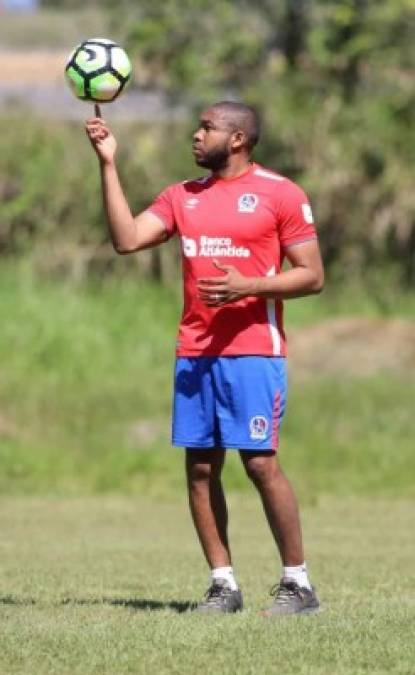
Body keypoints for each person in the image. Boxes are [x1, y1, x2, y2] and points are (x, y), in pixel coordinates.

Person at [85, 100, 324, 616]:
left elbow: (312, 274)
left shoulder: (280, 193)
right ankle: (223, 585)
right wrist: (108, 162)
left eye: (207, 127)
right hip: (195, 353)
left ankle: (298, 584)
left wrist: (249, 286)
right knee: (199, 469)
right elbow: (126, 240)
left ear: (237, 139)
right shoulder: (182, 196)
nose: (196, 135)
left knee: (260, 463)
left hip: (253, 352)